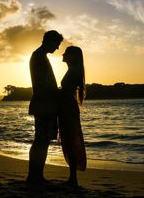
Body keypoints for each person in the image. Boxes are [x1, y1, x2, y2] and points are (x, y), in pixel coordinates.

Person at [26, 30, 64, 185]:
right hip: (44, 104)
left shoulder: (40, 56)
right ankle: (34, 176)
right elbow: (43, 84)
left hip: (44, 104)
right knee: (41, 141)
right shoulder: (39, 57)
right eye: (56, 44)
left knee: (42, 141)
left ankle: (35, 176)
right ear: (49, 41)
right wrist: (58, 92)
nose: (57, 48)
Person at [58, 46, 87, 187]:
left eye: (66, 53)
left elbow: (65, 92)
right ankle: (72, 178)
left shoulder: (73, 71)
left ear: (72, 56)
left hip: (68, 108)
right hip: (68, 107)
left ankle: (73, 179)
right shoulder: (73, 71)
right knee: (69, 140)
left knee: (70, 140)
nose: (63, 54)